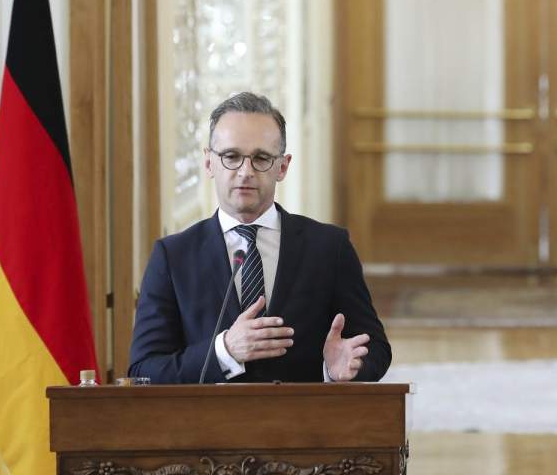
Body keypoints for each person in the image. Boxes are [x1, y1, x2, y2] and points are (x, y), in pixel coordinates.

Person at [129, 92, 391, 384]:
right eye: (231, 156)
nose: (245, 171)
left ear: (282, 166)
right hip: (207, 426)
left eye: (261, 158)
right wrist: (225, 350)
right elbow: (144, 369)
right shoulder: (173, 256)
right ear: (208, 163)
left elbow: (376, 348)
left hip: (304, 424)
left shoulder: (330, 248)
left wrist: (336, 370)